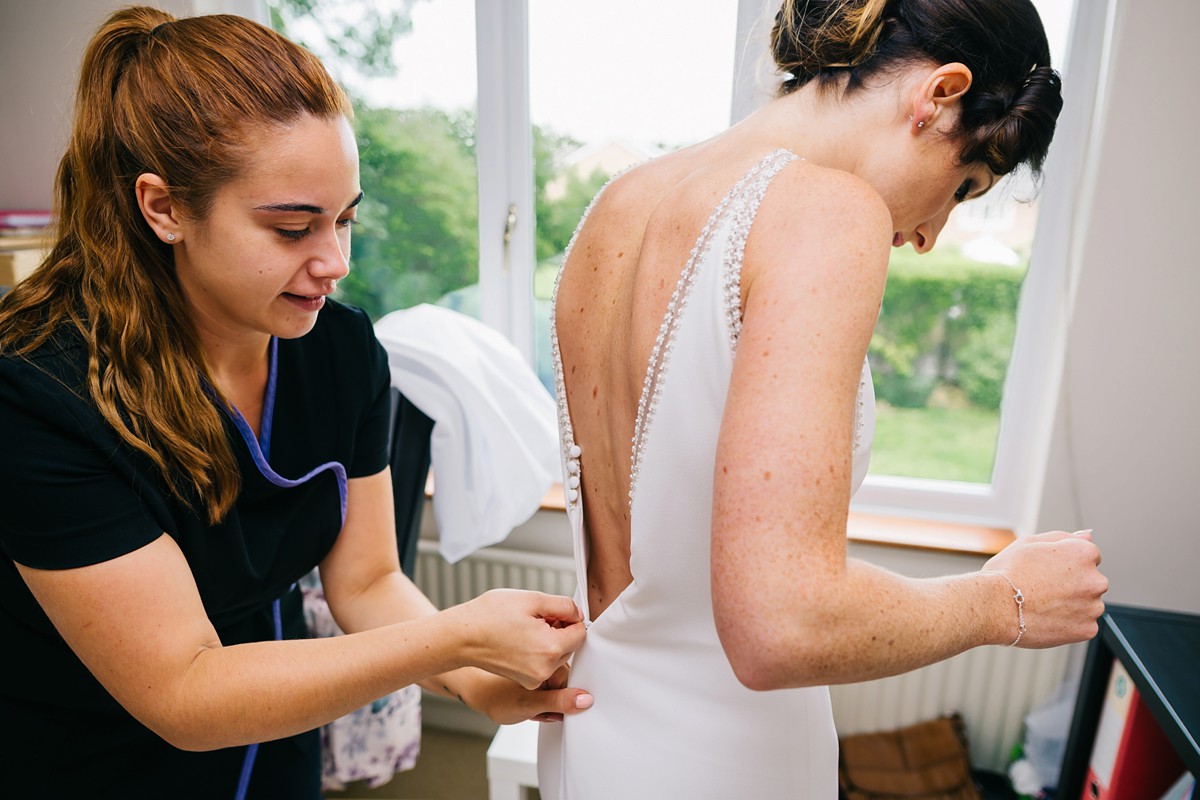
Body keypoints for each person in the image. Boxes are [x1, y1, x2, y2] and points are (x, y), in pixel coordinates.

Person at [0, 7, 591, 799]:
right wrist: (452, 636)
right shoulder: (38, 392)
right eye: (291, 228)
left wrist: (472, 677)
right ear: (164, 208)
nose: (335, 261)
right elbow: (182, 692)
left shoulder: (341, 353)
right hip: (92, 753)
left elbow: (369, 581)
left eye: (344, 219)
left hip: (269, 730)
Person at [537, 0, 1108, 797]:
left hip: (596, 734)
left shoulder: (619, 202)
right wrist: (1003, 600)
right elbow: (782, 625)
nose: (930, 231)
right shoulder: (828, 214)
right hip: (720, 758)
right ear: (941, 93)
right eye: (964, 183)